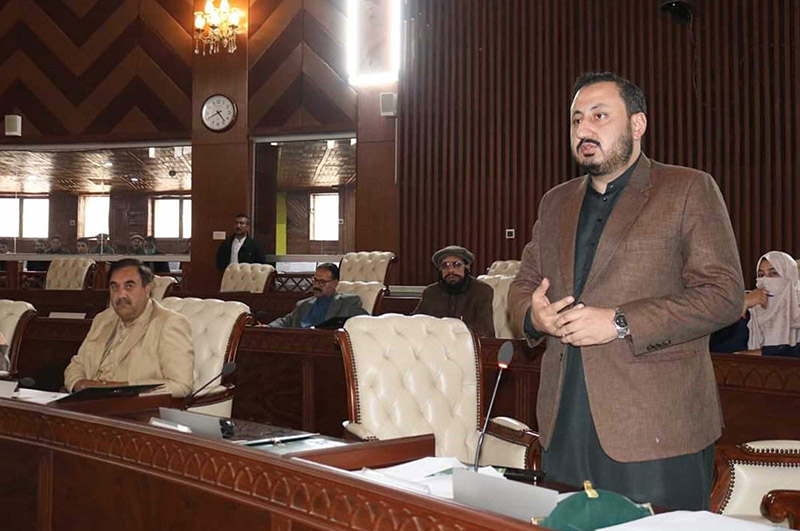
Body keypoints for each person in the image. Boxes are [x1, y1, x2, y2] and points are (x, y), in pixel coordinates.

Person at [508, 72, 744, 510]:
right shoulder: (555, 202)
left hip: (656, 428)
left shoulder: (687, 188)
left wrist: (618, 322)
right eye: (577, 119)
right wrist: (532, 315)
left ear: (638, 125)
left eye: (599, 116)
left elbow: (725, 294)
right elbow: (523, 285)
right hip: (563, 422)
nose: (584, 130)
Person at [63, 259, 194, 397]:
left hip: (134, 410)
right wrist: (80, 384)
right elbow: (76, 366)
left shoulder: (169, 323)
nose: (121, 295)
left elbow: (181, 385)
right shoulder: (103, 319)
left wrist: (119, 389)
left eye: (129, 286)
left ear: (147, 289)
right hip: (87, 405)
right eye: (115, 287)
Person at [711, 251, 800, 357]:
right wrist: (741, 307)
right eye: (761, 275)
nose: (765, 280)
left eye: (774, 273)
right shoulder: (750, 311)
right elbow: (720, 351)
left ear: (791, 277)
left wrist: (762, 353)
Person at [412, 245, 495, 337]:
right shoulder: (431, 292)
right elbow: (416, 323)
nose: (451, 270)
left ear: (467, 267)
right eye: (445, 266)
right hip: (435, 346)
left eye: (457, 265)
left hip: (468, 346)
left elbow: (485, 330)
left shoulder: (481, 290)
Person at [268, 263, 367, 328]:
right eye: (315, 280)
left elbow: (365, 322)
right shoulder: (303, 304)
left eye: (322, 282)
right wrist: (268, 327)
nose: (316, 285)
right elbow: (285, 321)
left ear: (335, 283)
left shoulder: (348, 302)